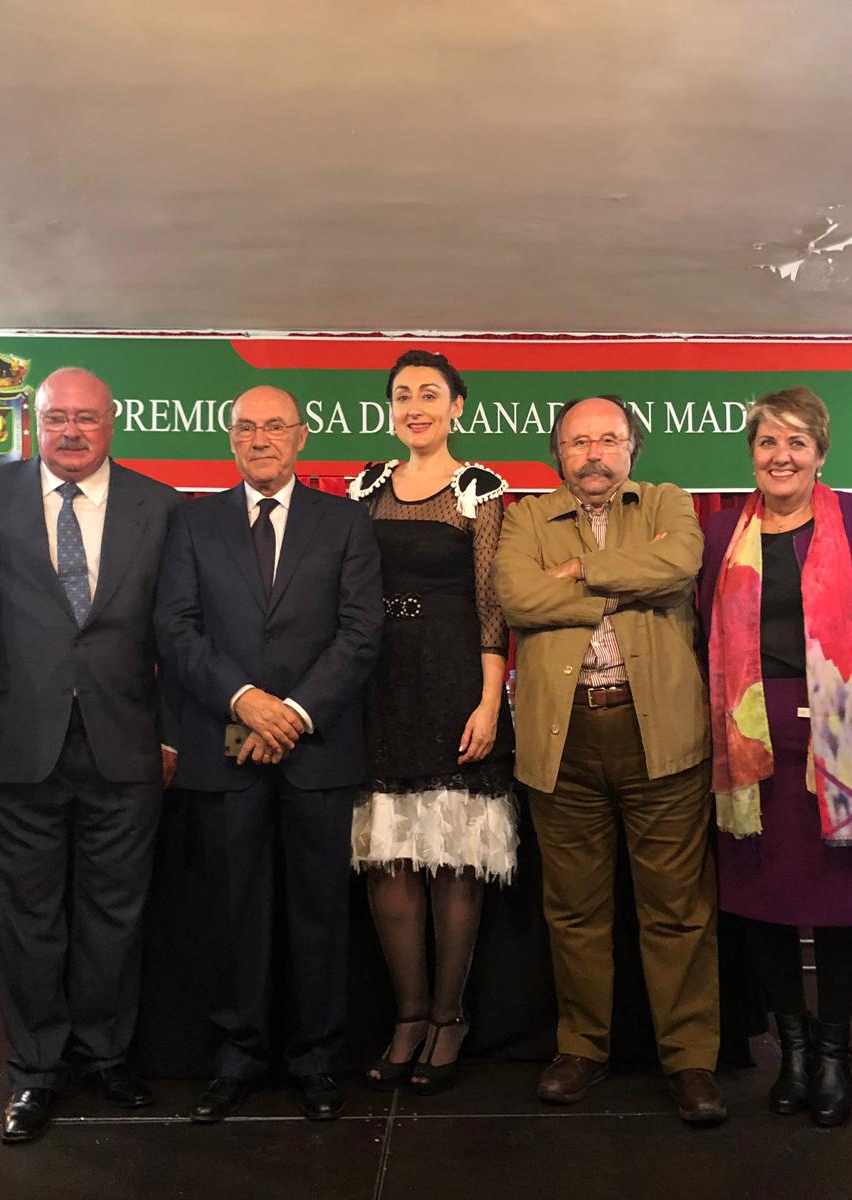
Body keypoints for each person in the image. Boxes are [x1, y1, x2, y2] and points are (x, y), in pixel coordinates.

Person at [0, 365, 183, 1144]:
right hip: (20, 742)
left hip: (128, 743)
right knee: (28, 918)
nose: (72, 431)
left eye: (86, 417)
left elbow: (179, 633)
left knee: (116, 914)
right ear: (35, 423)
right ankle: (35, 1072)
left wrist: (175, 733)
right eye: (57, 418)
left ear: (112, 422)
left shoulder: (162, 505)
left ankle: (107, 1054)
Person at [494, 395, 725, 1126]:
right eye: (577, 442)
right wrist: (621, 585)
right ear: (557, 452)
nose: (593, 455)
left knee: (677, 910)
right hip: (563, 741)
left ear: (633, 448)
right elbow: (515, 595)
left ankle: (689, 1061)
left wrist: (573, 573)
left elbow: (680, 563)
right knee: (574, 910)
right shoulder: (528, 516)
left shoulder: (668, 501)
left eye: (609, 441)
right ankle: (581, 1049)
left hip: (659, 737)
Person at [155, 385, 383, 1122]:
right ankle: (238, 1059)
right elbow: (178, 630)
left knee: (320, 912)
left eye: (274, 427)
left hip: (318, 746)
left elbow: (360, 633)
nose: (260, 439)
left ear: (301, 437)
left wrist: (292, 712)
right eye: (246, 427)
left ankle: (317, 1060)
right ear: (230, 440)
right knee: (233, 909)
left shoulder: (345, 521)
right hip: (223, 746)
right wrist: (246, 701)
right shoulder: (192, 523)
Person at [697, 387, 852, 1127]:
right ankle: (790, 1054)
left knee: (839, 903)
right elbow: (706, 635)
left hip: (843, 731)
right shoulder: (724, 531)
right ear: (751, 454)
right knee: (762, 902)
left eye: (796, 443)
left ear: (820, 452)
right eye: (767, 443)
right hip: (750, 736)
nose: (780, 456)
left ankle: (834, 1055)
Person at [347, 349, 517, 1093]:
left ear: (457, 406)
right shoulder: (366, 487)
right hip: (382, 683)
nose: (415, 405)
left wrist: (488, 699)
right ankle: (408, 1017)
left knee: (453, 859)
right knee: (390, 857)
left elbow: (491, 607)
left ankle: (450, 1018)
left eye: (430, 394)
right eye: (402, 395)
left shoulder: (478, 490)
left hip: (456, 680)